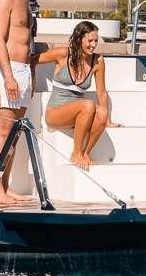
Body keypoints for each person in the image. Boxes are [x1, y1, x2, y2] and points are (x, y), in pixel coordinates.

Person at [0, 0, 43, 207]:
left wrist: (29, 74)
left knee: (15, 135)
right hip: (6, 70)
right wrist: (8, 76)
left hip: (23, 71)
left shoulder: (27, 0)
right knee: (3, 130)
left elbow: (27, 41)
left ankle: (5, 188)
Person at [36, 21, 119, 170]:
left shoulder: (98, 61)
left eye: (96, 40)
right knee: (88, 104)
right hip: (55, 112)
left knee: (102, 113)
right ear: (79, 39)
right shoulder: (63, 54)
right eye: (90, 40)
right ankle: (76, 152)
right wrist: (31, 78)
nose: (93, 45)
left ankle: (86, 153)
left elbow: (101, 92)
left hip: (79, 113)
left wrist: (108, 120)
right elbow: (33, 60)